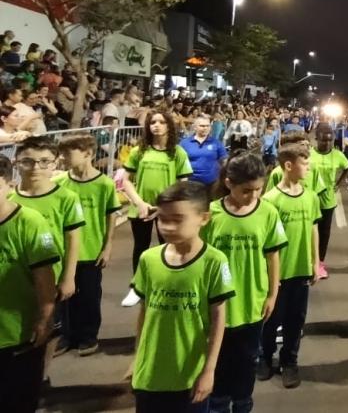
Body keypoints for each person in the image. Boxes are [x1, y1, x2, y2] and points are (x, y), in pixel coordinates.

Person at [130, 181, 234, 413]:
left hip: (189, 373)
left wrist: (209, 370)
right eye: (162, 218)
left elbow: (219, 319)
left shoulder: (214, 262)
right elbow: (145, 311)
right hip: (151, 373)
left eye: (177, 219)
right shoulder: (148, 259)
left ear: (203, 218)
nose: (167, 227)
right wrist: (137, 357)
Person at [203, 152, 287, 413]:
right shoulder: (211, 214)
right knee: (217, 360)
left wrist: (273, 294)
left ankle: (242, 404)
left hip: (252, 302)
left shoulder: (268, 213)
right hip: (217, 305)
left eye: (258, 190)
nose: (253, 196)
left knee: (246, 361)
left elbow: (272, 256)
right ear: (229, 183)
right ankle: (218, 404)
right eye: (246, 190)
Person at [10, 136, 85, 365]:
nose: (36, 168)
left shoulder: (66, 198)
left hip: (50, 275)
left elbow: (73, 238)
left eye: (44, 161)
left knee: (49, 324)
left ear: (55, 164)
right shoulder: (9, 198)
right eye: (28, 161)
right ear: (16, 163)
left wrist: (69, 277)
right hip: (14, 277)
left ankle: (41, 370)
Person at [0, 154, 59, 412]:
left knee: (17, 400)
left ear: (8, 184)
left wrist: (45, 319)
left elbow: (44, 276)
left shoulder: (30, 222)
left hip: (17, 334)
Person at [259, 144, 321, 388]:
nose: (308, 168)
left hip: (301, 269)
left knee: (296, 320)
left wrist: (315, 262)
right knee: (271, 319)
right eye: (304, 163)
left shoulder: (310, 196)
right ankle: (264, 357)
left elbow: (314, 228)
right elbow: (264, 240)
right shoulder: (270, 200)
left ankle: (290, 360)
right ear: (288, 166)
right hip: (278, 273)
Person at [53, 134, 121, 357]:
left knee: (90, 296)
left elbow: (110, 215)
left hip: (91, 250)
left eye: (68, 153)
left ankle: (88, 336)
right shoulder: (60, 182)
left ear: (88, 154)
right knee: (63, 297)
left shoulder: (104, 184)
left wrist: (107, 245)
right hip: (64, 252)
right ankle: (65, 336)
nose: (63, 158)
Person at [120, 112, 193, 307]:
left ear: (169, 125)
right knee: (140, 249)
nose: (156, 125)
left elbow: (182, 184)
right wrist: (140, 203)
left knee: (169, 247)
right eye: (153, 122)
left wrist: (165, 207)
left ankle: (168, 284)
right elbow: (125, 181)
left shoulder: (177, 153)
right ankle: (137, 287)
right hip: (141, 209)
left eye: (161, 122)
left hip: (167, 211)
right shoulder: (139, 151)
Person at [310, 123, 348, 279]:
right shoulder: (309, 154)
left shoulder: (338, 155)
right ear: (316, 139)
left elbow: (347, 167)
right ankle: (308, 262)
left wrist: (338, 184)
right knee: (309, 233)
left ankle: (320, 263)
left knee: (324, 233)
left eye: (330, 140)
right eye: (323, 140)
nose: (326, 143)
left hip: (327, 201)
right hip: (310, 200)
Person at [180, 116, 229, 193]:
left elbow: (224, 161)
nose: (205, 128)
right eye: (202, 126)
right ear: (195, 127)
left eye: (207, 126)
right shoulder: (185, 143)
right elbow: (179, 163)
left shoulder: (216, 143)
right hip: (190, 183)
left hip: (211, 183)